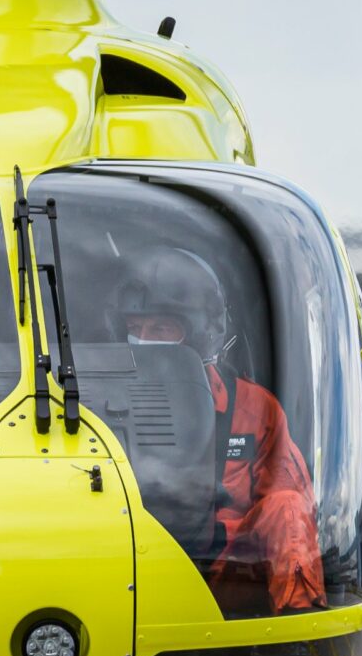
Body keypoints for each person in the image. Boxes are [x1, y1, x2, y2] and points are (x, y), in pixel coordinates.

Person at [110, 247, 325, 615]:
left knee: (288, 506)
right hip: (118, 571)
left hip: (218, 581)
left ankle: (299, 628)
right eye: (135, 329)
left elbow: (295, 516)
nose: (144, 341)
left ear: (199, 334)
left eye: (161, 329)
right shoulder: (91, 403)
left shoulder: (254, 409)